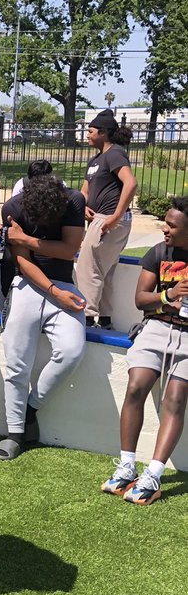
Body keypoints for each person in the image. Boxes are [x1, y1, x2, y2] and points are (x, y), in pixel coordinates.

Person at [0, 174, 86, 460]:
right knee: (17, 363)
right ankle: (14, 433)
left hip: (65, 284)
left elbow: (69, 250)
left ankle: (30, 408)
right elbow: (22, 260)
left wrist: (25, 238)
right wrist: (53, 292)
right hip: (27, 283)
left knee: (71, 351)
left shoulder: (73, 200)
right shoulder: (13, 207)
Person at [102, 198, 188, 505]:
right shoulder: (159, 253)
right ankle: (127, 466)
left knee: (175, 398)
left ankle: (152, 474)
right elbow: (141, 299)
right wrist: (168, 296)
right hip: (156, 327)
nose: (165, 229)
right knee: (136, 386)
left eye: (172, 225)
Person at [74, 109, 137, 330]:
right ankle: (106, 319)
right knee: (104, 270)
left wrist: (114, 217)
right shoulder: (96, 159)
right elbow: (85, 190)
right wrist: (82, 207)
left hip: (107, 220)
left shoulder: (115, 153)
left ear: (103, 133)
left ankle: (88, 319)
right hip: (97, 219)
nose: (87, 134)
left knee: (87, 268)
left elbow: (130, 183)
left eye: (90, 131)